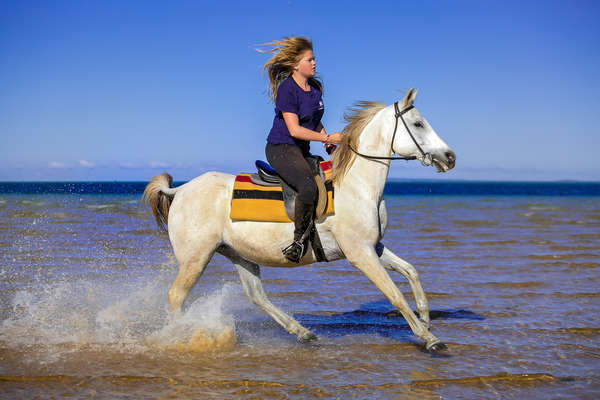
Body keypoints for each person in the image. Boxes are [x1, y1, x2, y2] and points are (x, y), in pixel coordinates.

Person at [259, 37, 342, 263]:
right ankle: (298, 242)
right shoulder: (287, 89)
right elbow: (295, 130)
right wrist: (325, 137)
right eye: (310, 59)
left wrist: (329, 143)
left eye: (314, 59)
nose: (315, 63)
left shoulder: (315, 88)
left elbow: (313, 121)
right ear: (296, 65)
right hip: (281, 148)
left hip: (301, 150)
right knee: (307, 187)